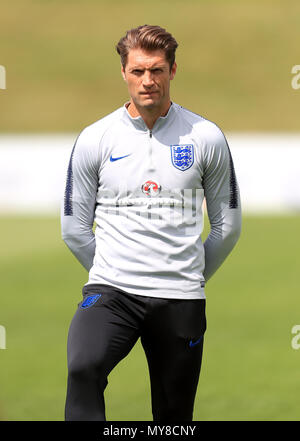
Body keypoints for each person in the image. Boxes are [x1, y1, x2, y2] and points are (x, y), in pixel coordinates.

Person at [61, 24, 242, 422]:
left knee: (173, 416)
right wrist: (113, 270)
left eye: (157, 70)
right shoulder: (96, 137)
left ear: (173, 71)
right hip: (112, 292)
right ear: (123, 73)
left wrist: (187, 275)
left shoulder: (205, 137)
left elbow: (227, 226)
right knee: (82, 367)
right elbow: (73, 227)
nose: (148, 81)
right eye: (139, 71)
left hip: (180, 297)